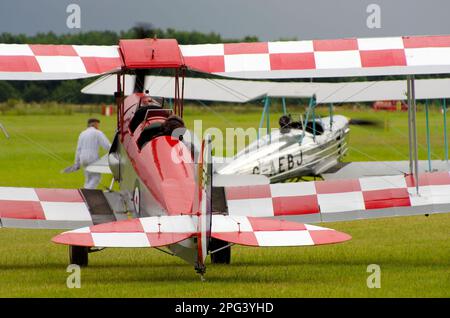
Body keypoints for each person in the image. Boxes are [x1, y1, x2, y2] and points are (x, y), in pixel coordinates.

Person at [74, 118, 111, 189]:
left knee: (88, 179)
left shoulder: (82, 133)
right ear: (94, 124)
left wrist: (77, 163)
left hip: (83, 159)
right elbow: (106, 145)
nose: (98, 126)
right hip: (92, 158)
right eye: (97, 124)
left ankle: (85, 193)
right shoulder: (97, 133)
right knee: (96, 177)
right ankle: (87, 191)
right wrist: (115, 151)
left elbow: (78, 149)